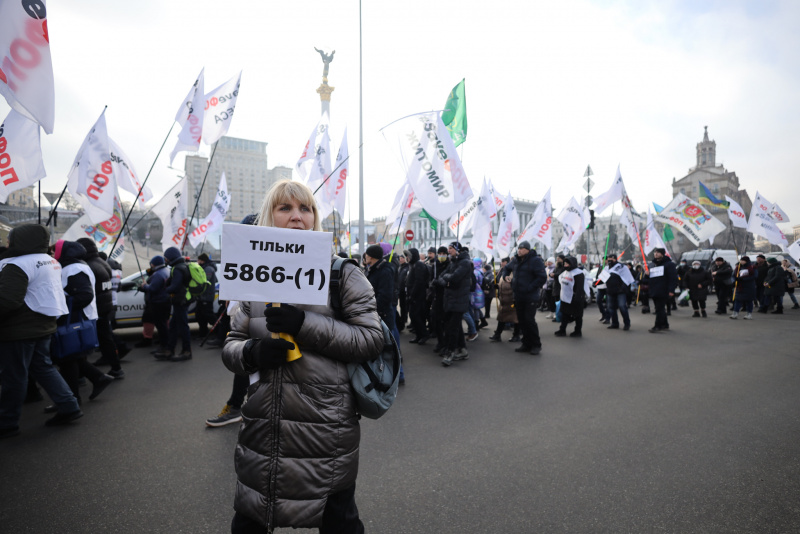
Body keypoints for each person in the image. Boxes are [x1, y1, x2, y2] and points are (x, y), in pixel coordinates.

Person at [222, 180, 383, 532]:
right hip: (262, 430)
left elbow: (372, 339)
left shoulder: (343, 273)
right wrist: (252, 352)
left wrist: (304, 325)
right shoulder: (252, 274)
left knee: (340, 524)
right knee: (248, 522)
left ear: (314, 218)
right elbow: (231, 344)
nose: (297, 217)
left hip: (324, 432)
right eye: (285, 208)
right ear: (269, 217)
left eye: (305, 208)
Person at [0, 224, 82, 437]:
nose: (7, 243)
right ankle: (69, 405)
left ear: (20, 240)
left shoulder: (17, 265)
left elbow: (7, 301)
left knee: (14, 376)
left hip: (18, 330)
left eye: (10, 239)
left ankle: (7, 422)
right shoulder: (50, 260)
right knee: (44, 368)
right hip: (43, 325)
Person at [52, 240, 114, 405]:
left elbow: (84, 295)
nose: (52, 254)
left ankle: (73, 399)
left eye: (54, 250)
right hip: (77, 317)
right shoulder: (74, 266)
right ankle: (97, 379)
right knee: (71, 357)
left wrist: (63, 307)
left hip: (75, 319)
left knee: (68, 358)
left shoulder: (74, 269)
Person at [76, 238, 125, 379]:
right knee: (106, 339)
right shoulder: (103, 262)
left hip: (96, 309)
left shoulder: (89, 266)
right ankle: (116, 368)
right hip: (105, 306)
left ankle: (83, 374)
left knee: (90, 341)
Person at [364, 244, 404, 384]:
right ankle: (384, 376)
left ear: (371, 257)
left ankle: (399, 376)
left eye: (367, 254)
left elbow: (385, 296)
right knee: (383, 348)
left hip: (383, 315)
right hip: (378, 314)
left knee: (390, 348)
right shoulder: (374, 269)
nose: (365, 257)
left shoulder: (385, 270)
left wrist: (372, 308)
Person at [502, 241, 547, 355]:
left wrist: (530, 287)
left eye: (522, 248)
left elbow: (542, 277)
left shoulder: (535, 260)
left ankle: (536, 345)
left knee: (529, 320)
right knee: (522, 321)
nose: (519, 250)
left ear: (528, 250)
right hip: (518, 295)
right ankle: (526, 344)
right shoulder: (516, 260)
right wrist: (506, 276)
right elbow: (506, 268)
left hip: (530, 296)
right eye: (518, 248)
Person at [434, 242, 473, 366]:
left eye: (450, 248)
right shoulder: (453, 262)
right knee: (456, 327)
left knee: (452, 328)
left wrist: (446, 280)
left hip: (459, 300)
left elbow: (455, 278)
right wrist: (447, 282)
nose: (448, 251)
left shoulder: (465, 263)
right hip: (450, 300)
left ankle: (450, 353)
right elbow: (440, 277)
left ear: (457, 249)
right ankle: (463, 350)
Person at [153, 247, 193, 362]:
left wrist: (165, 290)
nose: (165, 260)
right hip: (181, 300)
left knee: (183, 326)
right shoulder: (182, 266)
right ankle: (170, 350)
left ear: (171, 257)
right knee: (173, 326)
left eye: (166, 258)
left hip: (180, 301)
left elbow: (175, 286)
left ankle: (186, 351)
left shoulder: (177, 269)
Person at [136, 255, 170, 349]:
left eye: (151, 264)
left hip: (157, 301)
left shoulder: (158, 274)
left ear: (154, 264)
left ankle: (157, 343)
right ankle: (164, 341)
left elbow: (153, 288)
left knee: (152, 321)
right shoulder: (166, 271)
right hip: (165, 300)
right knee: (164, 322)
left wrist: (144, 286)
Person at [554, 256, 587, 337]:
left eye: (567, 264)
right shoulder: (565, 272)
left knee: (578, 316)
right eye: (564, 263)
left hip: (575, 298)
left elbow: (579, 287)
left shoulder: (578, 273)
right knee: (564, 314)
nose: (565, 265)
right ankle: (562, 330)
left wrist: (577, 298)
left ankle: (578, 331)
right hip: (565, 298)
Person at [647, 248, 678, 333]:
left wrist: (671, 290)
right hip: (654, 290)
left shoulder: (669, 264)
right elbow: (649, 278)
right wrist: (647, 274)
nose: (656, 254)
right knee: (659, 308)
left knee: (659, 308)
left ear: (662, 254)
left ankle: (658, 326)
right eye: (655, 252)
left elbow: (673, 278)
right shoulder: (653, 264)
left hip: (663, 290)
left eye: (658, 252)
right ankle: (665, 324)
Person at [405, 247, 430, 344]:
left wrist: (412, 295)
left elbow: (418, 282)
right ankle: (419, 335)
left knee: (417, 316)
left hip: (418, 296)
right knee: (414, 316)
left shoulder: (418, 265)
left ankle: (424, 334)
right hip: (413, 295)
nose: (407, 258)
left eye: (408, 256)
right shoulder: (413, 265)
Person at [488, 271, 519, 342]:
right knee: (502, 318)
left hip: (512, 301)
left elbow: (516, 287)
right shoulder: (504, 274)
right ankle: (497, 335)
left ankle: (516, 335)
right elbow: (502, 284)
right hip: (504, 301)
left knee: (516, 318)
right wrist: (497, 286)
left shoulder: (515, 274)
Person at [604, 254, 633, 331]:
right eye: (608, 258)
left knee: (622, 306)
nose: (609, 260)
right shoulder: (607, 268)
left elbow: (627, 278)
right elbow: (602, 278)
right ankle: (615, 323)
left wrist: (623, 287)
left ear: (615, 259)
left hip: (620, 291)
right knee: (611, 307)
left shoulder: (621, 267)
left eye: (611, 258)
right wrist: (596, 283)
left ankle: (627, 323)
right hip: (610, 291)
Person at [429, 246, 450, 353]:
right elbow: (431, 278)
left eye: (443, 253)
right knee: (435, 320)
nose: (441, 255)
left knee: (445, 322)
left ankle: (446, 343)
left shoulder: (449, 265)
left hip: (446, 297)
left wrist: (439, 282)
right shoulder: (435, 265)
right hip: (436, 296)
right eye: (440, 253)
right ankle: (440, 341)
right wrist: (432, 284)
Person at [196, 253, 218, 338]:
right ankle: (202, 333)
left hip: (206, 297)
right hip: (202, 297)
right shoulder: (205, 267)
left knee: (209, 316)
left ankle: (220, 332)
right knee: (200, 316)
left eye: (198, 260)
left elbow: (204, 281)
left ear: (202, 260)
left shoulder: (208, 269)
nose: (197, 262)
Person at [396, 251, 409, 331]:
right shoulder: (400, 267)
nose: (400, 260)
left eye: (402, 258)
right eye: (400, 258)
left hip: (405, 291)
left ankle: (404, 319)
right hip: (400, 290)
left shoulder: (407, 267)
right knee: (401, 305)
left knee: (404, 306)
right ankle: (403, 319)